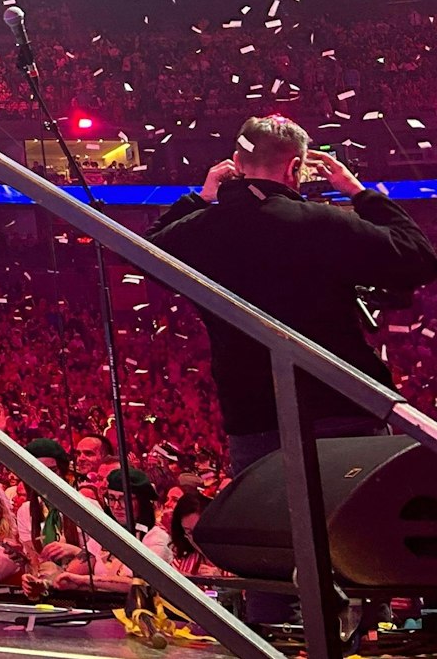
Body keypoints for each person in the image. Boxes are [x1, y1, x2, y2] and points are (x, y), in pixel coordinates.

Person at [149, 115, 437, 623]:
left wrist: (201, 196)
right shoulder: (322, 223)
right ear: (297, 167)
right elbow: (417, 257)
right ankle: (361, 642)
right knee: (353, 541)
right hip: (340, 404)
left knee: (270, 546)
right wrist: (360, 193)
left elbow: (147, 252)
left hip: (255, 413)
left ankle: (269, 643)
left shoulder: (205, 229)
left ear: (236, 165)